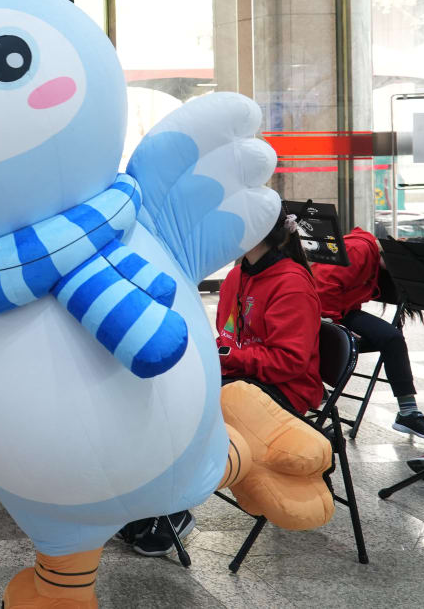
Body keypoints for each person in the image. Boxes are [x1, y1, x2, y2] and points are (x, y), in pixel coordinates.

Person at [124, 211, 323, 557]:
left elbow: (289, 362)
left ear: (260, 232)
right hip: (246, 380)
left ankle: (173, 509)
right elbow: (229, 339)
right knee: (165, 398)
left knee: (191, 416)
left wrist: (227, 357)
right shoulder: (236, 277)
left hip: (285, 391)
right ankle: (151, 502)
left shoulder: (291, 282)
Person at [310, 227, 424, 440]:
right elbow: (322, 291)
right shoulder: (358, 249)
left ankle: (408, 414)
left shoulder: (373, 257)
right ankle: (314, 380)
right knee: (389, 339)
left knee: (392, 339)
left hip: (342, 312)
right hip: (320, 315)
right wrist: (342, 329)